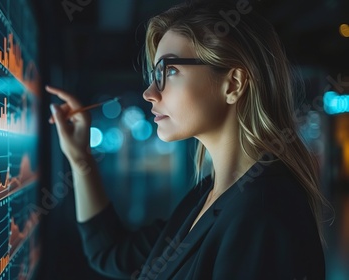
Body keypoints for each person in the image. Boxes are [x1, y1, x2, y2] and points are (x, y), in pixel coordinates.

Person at [46, 0, 328, 279]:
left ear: (233, 84)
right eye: (155, 74)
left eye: (169, 71)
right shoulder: (209, 195)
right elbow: (112, 255)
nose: (149, 93)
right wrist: (79, 157)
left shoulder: (264, 212)